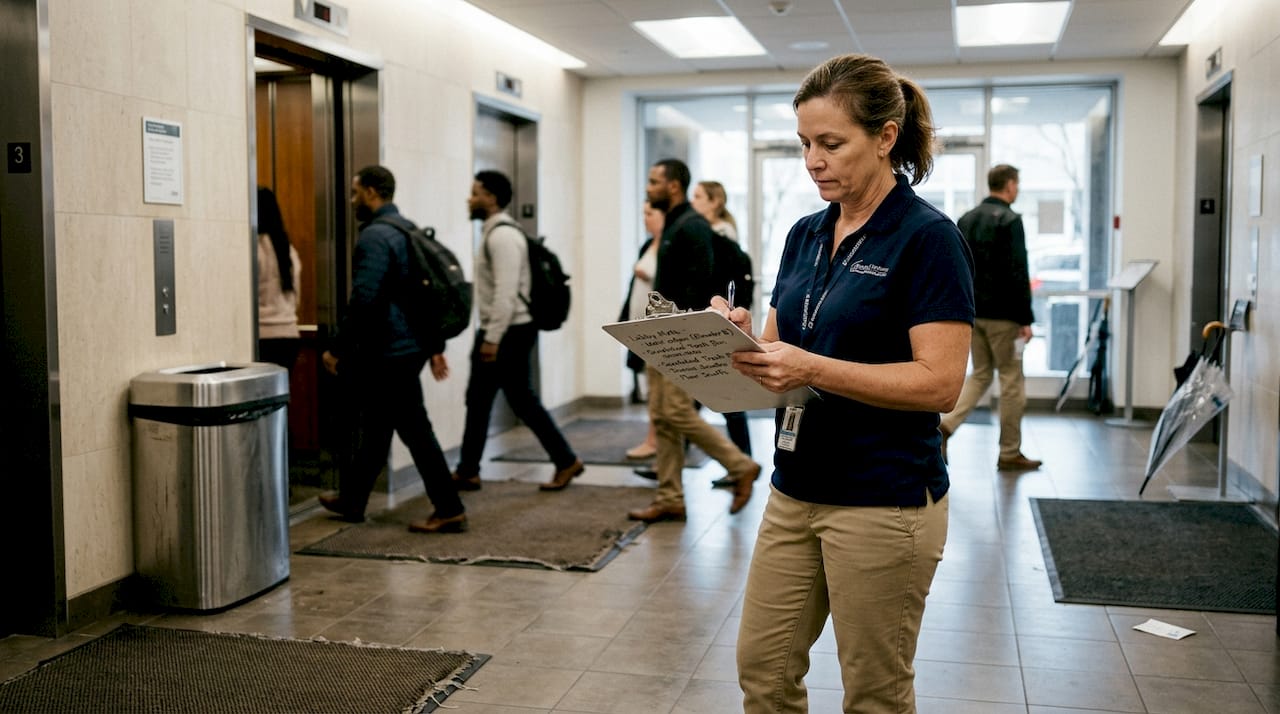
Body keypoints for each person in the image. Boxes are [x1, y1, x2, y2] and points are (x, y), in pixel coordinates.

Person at [712, 54, 974, 712]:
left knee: (873, 693)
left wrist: (810, 367)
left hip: (882, 497)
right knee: (763, 672)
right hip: (796, 485)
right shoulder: (805, 234)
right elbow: (778, 352)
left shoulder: (928, 239)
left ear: (885, 137)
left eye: (831, 143)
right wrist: (735, 340)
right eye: (804, 143)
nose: (813, 161)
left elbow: (941, 384)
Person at [317, 165, 466, 534]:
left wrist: (337, 347)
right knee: (378, 426)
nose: (352, 200)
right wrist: (433, 346)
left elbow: (364, 299)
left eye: (355, 192)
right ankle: (353, 499)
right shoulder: (406, 229)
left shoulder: (376, 236)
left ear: (371, 192)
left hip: (390, 351)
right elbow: (420, 298)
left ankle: (449, 507)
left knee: (414, 430)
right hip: (407, 346)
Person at [626, 158, 762, 524]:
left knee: (675, 412)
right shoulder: (675, 224)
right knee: (662, 417)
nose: (648, 188)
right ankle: (670, 497)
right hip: (661, 335)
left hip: (677, 337)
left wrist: (681, 333)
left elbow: (703, 283)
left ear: (673, 186)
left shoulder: (692, 225)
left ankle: (740, 464)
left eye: (654, 181)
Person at [452, 170, 584, 492]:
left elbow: (506, 293)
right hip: (506, 330)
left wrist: (491, 338)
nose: (470, 199)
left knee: (515, 400)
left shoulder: (502, 237)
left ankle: (565, 460)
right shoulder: (495, 233)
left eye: (475, 193)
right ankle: (468, 469)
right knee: (483, 400)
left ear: (491, 198)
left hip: (509, 332)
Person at [939, 164, 1042, 471]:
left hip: (973, 314)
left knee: (981, 374)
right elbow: (1018, 270)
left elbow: (957, 266)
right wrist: (1025, 318)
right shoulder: (1010, 220)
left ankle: (945, 426)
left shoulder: (967, 219)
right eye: (1016, 184)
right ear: (1009, 185)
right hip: (1005, 317)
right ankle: (1009, 451)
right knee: (1011, 380)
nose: (1017, 189)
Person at [691, 179, 753, 488]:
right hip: (707, 326)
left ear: (715, 202)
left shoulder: (721, 239)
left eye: (698, 197)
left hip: (718, 327)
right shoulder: (708, 236)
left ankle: (743, 463)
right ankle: (668, 465)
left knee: (726, 401)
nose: (693, 202)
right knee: (693, 402)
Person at [619, 200, 663, 460]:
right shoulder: (648, 245)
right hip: (640, 325)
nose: (645, 218)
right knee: (649, 387)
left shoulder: (669, 245)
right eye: (643, 213)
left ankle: (654, 440)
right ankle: (653, 439)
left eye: (650, 213)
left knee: (662, 396)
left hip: (657, 328)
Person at [256, 186, 302, 370]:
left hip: (261, 336)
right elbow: (296, 297)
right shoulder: (287, 249)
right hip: (289, 335)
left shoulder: (252, 248)